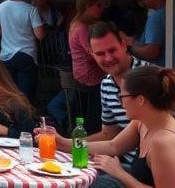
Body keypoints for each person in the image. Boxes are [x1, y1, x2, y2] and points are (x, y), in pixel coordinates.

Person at [42, 21, 151, 175]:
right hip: (125, 162)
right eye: (100, 54)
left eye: (112, 50)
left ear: (124, 45)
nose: (108, 58)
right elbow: (110, 135)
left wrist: (69, 145)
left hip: (146, 168)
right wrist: (66, 144)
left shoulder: (150, 78)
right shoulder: (106, 84)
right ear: (92, 55)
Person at [39, 65, 175, 188]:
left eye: (122, 96)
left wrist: (119, 173)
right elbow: (113, 146)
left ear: (140, 100)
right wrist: (65, 143)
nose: (120, 101)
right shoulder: (141, 123)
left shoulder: (164, 141)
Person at [0, 0, 45, 99]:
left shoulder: (1, 7)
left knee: (9, 92)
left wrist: (8, 31)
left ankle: (10, 116)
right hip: (26, 55)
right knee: (25, 94)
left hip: (6, 56)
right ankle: (25, 116)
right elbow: (40, 35)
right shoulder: (31, 10)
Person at [70, 0, 108, 87]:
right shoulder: (82, 29)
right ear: (87, 6)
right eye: (99, 6)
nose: (102, 9)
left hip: (84, 73)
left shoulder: (78, 24)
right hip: (90, 76)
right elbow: (93, 53)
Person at [126, 0, 165, 66]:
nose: (143, 2)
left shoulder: (156, 17)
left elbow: (151, 52)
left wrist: (129, 47)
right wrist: (133, 42)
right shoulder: (169, 11)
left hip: (161, 70)